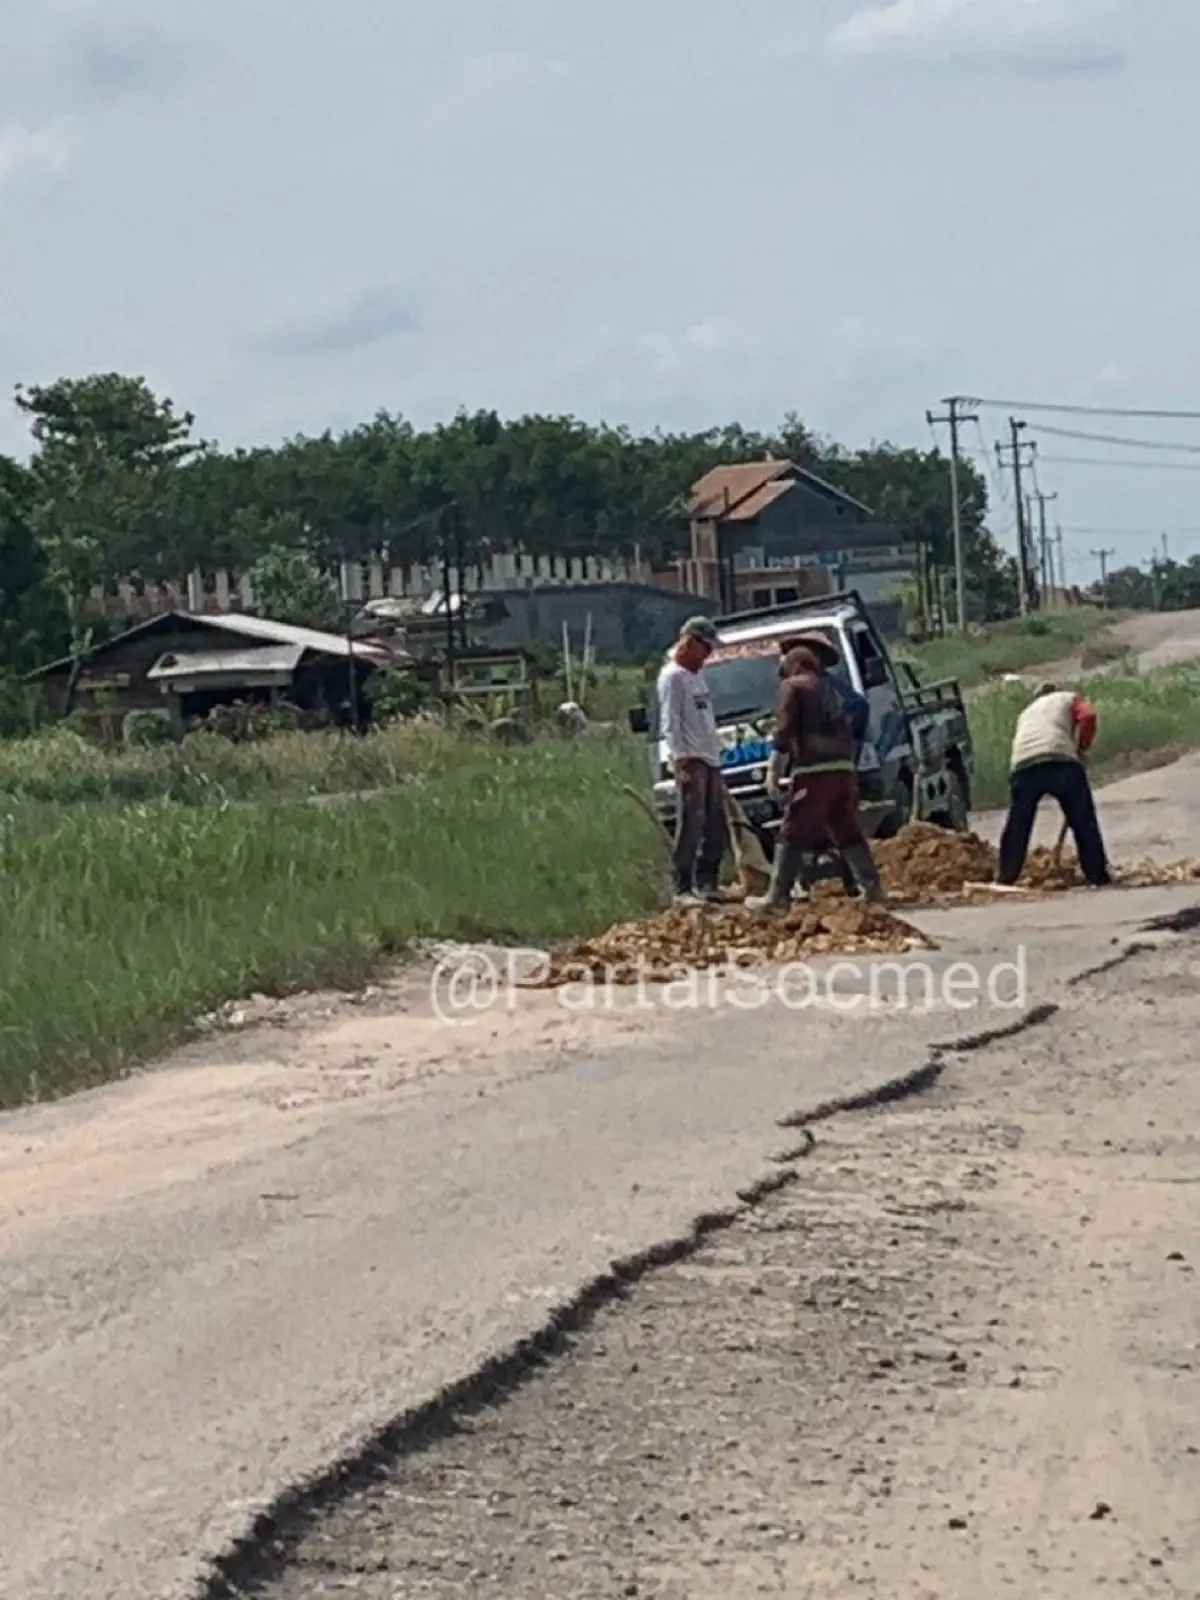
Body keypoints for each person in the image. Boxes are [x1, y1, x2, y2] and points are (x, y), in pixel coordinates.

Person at [748, 639, 884, 909]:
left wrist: (773, 773)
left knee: (792, 829)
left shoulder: (792, 687)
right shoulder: (829, 689)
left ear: (793, 665)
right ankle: (872, 889)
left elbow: (784, 733)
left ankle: (778, 896)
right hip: (843, 770)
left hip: (814, 770)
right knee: (846, 828)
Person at [997, 682, 1112, 888]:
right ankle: (1097, 875)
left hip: (1023, 764)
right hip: (1060, 760)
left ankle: (1006, 876)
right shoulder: (1069, 698)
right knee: (1083, 819)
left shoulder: (1026, 712)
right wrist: (1083, 748)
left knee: (1018, 824)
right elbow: (1088, 716)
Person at [657, 615, 728, 906]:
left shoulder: (697, 676)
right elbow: (670, 721)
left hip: (709, 756)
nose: (708, 655)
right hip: (691, 757)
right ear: (690, 642)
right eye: (705, 648)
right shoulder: (672, 676)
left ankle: (708, 881)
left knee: (715, 822)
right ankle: (682, 885)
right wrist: (680, 759)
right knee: (691, 821)